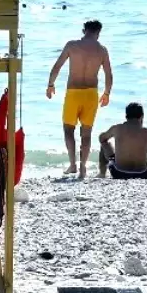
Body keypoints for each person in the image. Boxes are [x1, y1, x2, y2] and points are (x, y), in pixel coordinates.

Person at [46, 20, 113, 179]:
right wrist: (107, 93)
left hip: (73, 92)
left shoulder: (72, 45)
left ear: (84, 31)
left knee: (69, 129)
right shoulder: (102, 50)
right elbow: (109, 75)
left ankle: (72, 164)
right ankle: (83, 167)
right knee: (87, 133)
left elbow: (57, 66)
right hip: (91, 94)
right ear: (98, 33)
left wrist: (50, 84)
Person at [96, 103, 147, 180]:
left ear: (126, 116)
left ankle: (102, 174)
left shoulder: (117, 128)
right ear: (142, 116)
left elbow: (101, 138)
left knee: (104, 143)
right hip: (143, 174)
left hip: (119, 173)